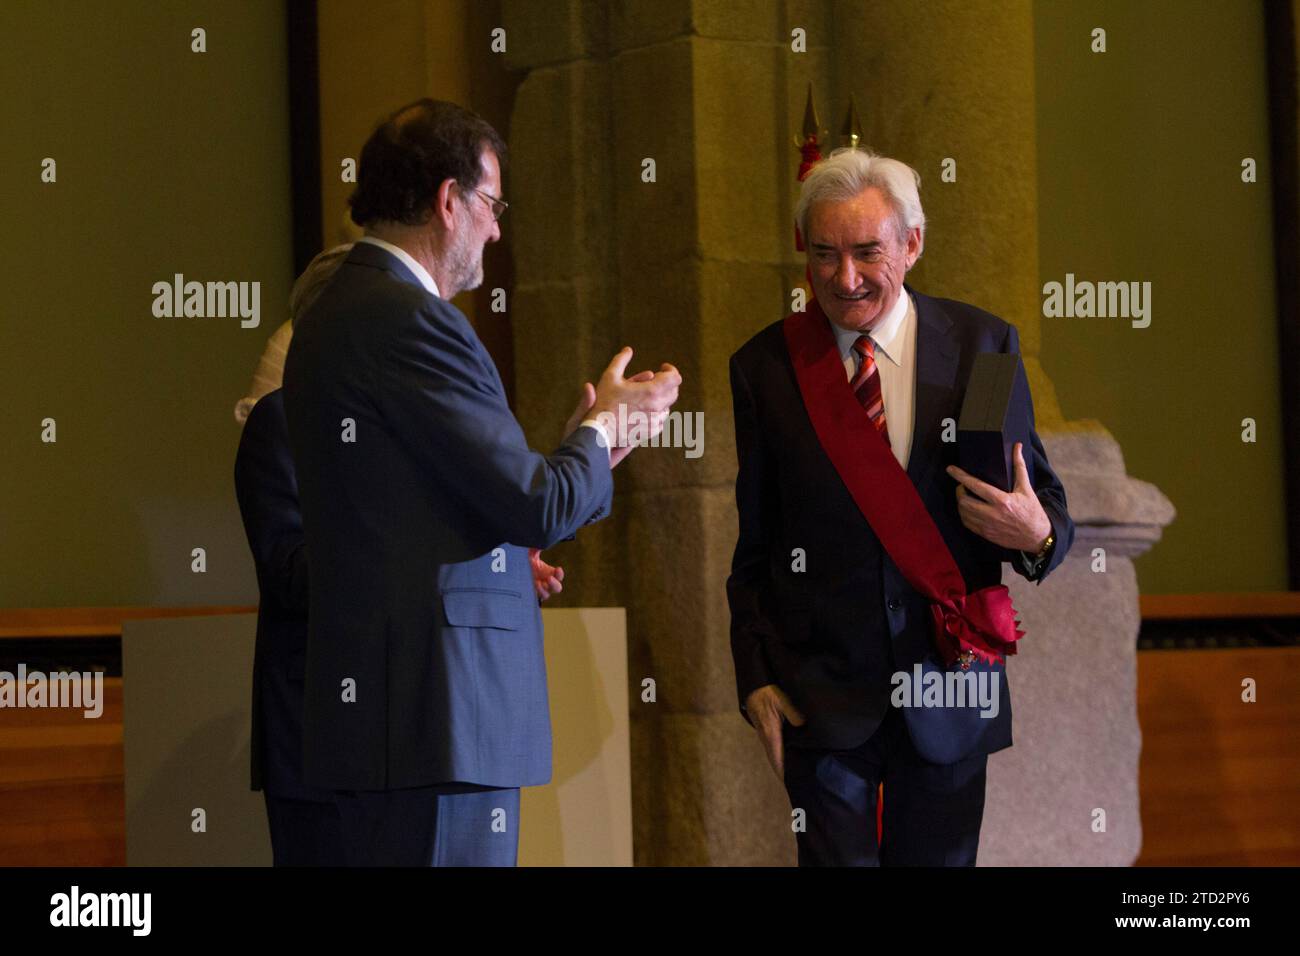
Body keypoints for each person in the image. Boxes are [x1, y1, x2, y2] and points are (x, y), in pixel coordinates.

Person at [282, 98, 680, 866]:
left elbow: (450, 500)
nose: (497, 228)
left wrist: (585, 451)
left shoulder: (339, 312)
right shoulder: (411, 319)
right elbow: (533, 504)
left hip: (397, 723)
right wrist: (608, 430)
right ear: (447, 201)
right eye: (492, 206)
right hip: (437, 721)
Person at [727, 147, 1074, 866]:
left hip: (950, 687)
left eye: (865, 253)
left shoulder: (983, 349)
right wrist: (754, 676)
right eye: (823, 254)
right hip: (821, 699)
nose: (844, 279)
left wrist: (1035, 535)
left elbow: (1042, 514)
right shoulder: (766, 369)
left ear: (912, 244)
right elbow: (755, 545)